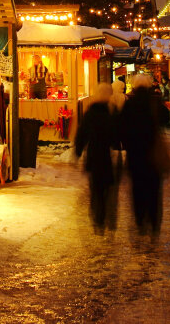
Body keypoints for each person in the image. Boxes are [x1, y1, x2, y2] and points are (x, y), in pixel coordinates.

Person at [119, 73, 164, 235]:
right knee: (153, 191)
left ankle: (140, 221)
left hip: (135, 156)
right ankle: (154, 222)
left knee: (138, 190)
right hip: (153, 155)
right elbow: (165, 120)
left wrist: (127, 144)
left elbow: (122, 128)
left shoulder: (129, 104)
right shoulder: (155, 102)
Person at [75, 84, 120, 233]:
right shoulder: (110, 112)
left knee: (96, 189)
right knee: (106, 187)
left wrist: (78, 150)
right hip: (106, 156)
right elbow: (115, 134)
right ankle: (104, 215)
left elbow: (82, 133)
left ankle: (98, 218)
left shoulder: (91, 112)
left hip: (94, 155)